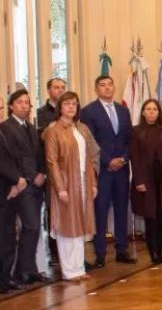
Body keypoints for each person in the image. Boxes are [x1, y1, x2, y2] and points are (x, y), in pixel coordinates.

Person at [80, 75, 135, 267]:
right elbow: (89, 142)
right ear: (96, 89)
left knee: (122, 210)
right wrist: (107, 161)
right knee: (100, 211)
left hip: (121, 169)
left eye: (110, 84)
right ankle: (100, 253)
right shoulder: (88, 112)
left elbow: (129, 138)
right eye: (102, 85)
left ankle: (122, 250)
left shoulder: (123, 110)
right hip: (102, 171)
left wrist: (123, 158)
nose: (107, 88)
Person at [43, 92, 99, 281]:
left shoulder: (81, 128)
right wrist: (60, 188)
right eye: (66, 104)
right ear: (60, 107)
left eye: (74, 104)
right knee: (67, 227)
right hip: (66, 184)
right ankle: (69, 271)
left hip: (82, 183)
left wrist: (92, 183)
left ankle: (79, 268)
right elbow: (52, 162)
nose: (71, 107)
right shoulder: (54, 130)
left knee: (79, 226)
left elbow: (89, 159)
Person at [1, 89, 48, 285]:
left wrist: (43, 173)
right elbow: (13, 159)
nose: (24, 105)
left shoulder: (31, 127)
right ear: (11, 106)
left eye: (27, 102)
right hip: (20, 185)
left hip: (36, 185)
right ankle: (21, 270)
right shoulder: (5, 127)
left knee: (34, 228)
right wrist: (30, 176)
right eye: (20, 102)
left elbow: (39, 155)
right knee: (30, 226)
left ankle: (27, 269)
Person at [129, 99, 162, 264]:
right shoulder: (136, 131)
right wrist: (138, 180)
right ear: (143, 112)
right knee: (150, 217)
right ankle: (153, 252)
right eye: (148, 109)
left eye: (154, 109)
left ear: (159, 112)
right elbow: (135, 158)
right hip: (146, 180)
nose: (151, 112)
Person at [37, 77, 67, 266]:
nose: (60, 90)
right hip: (51, 169)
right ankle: (54, 253)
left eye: (63, 87)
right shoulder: (41, 113)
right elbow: (41, 141)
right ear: (49, 91)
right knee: (52, 211)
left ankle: (70, 252)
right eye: (56, 88)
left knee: (68, 211)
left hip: (69, 171)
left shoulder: (70, 112)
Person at [0, 114, 25, 293]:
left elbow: (15, 159)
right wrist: (16, 179)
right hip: (4, 190)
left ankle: (5, 277)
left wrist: (16, 183)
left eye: (0, 107)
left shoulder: (4, 131)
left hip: (9, 191)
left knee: (8, 237)